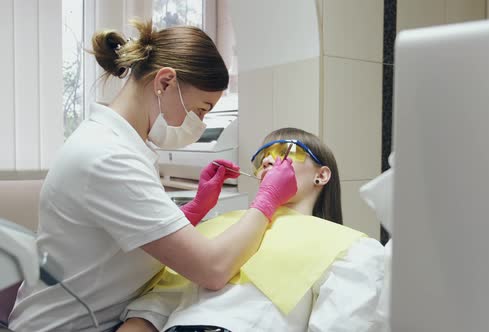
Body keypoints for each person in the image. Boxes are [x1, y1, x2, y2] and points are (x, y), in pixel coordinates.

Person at [8, 21, 297, 332]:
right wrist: (267, 199)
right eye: (200, 110)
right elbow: (213, 269)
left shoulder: (118, 143)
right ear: (165, 82)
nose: (198, 123)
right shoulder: (107, 156)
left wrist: (196, 208)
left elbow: (135, 238)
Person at [118, 128, 386, 332]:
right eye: (261, 159)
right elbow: (150, 309)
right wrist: (197, 208)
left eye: (285, 152)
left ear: (321, 175)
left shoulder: (348, 247)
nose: (268, 160)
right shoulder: (218, 230)